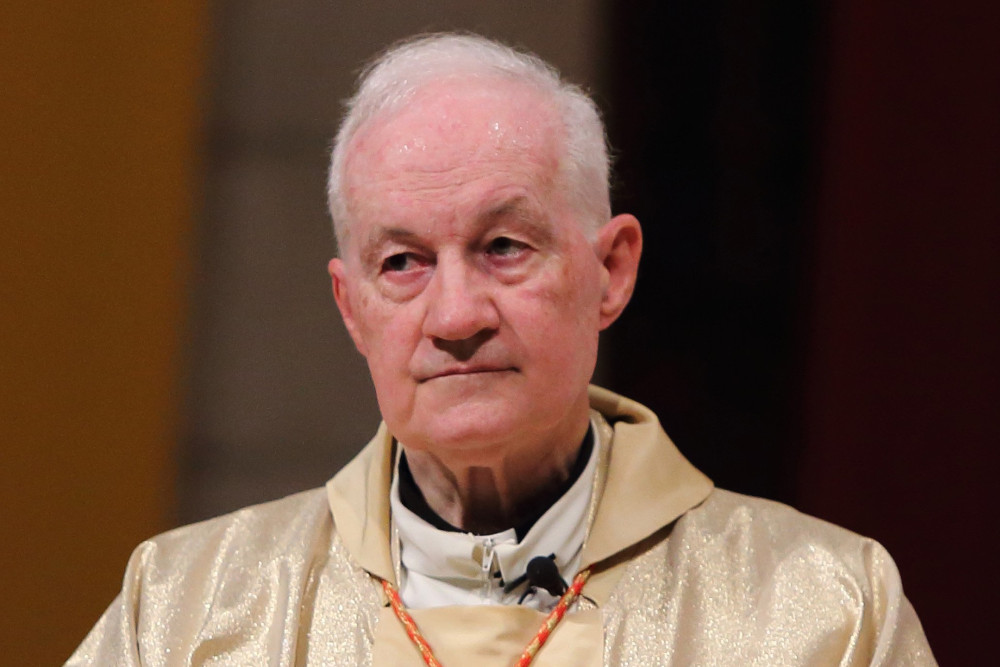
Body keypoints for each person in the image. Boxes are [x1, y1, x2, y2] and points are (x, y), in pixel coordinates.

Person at [69, 33, 935, 666]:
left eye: (503, 247)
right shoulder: (186, 612)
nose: (455, 314)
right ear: (351, 307)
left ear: (611, 270)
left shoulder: (823, 610)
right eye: (402, 262)